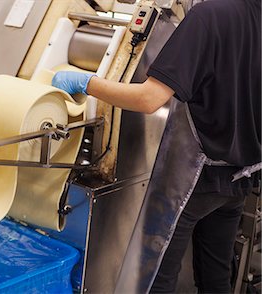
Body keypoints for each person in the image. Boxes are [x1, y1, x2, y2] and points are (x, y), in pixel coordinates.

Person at [51, 0, 261, 292]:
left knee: (156, 279)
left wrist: (86, 83)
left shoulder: (209, 16)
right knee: (216, 279)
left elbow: (148, 99)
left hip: (193, 182)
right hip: (241, 180)